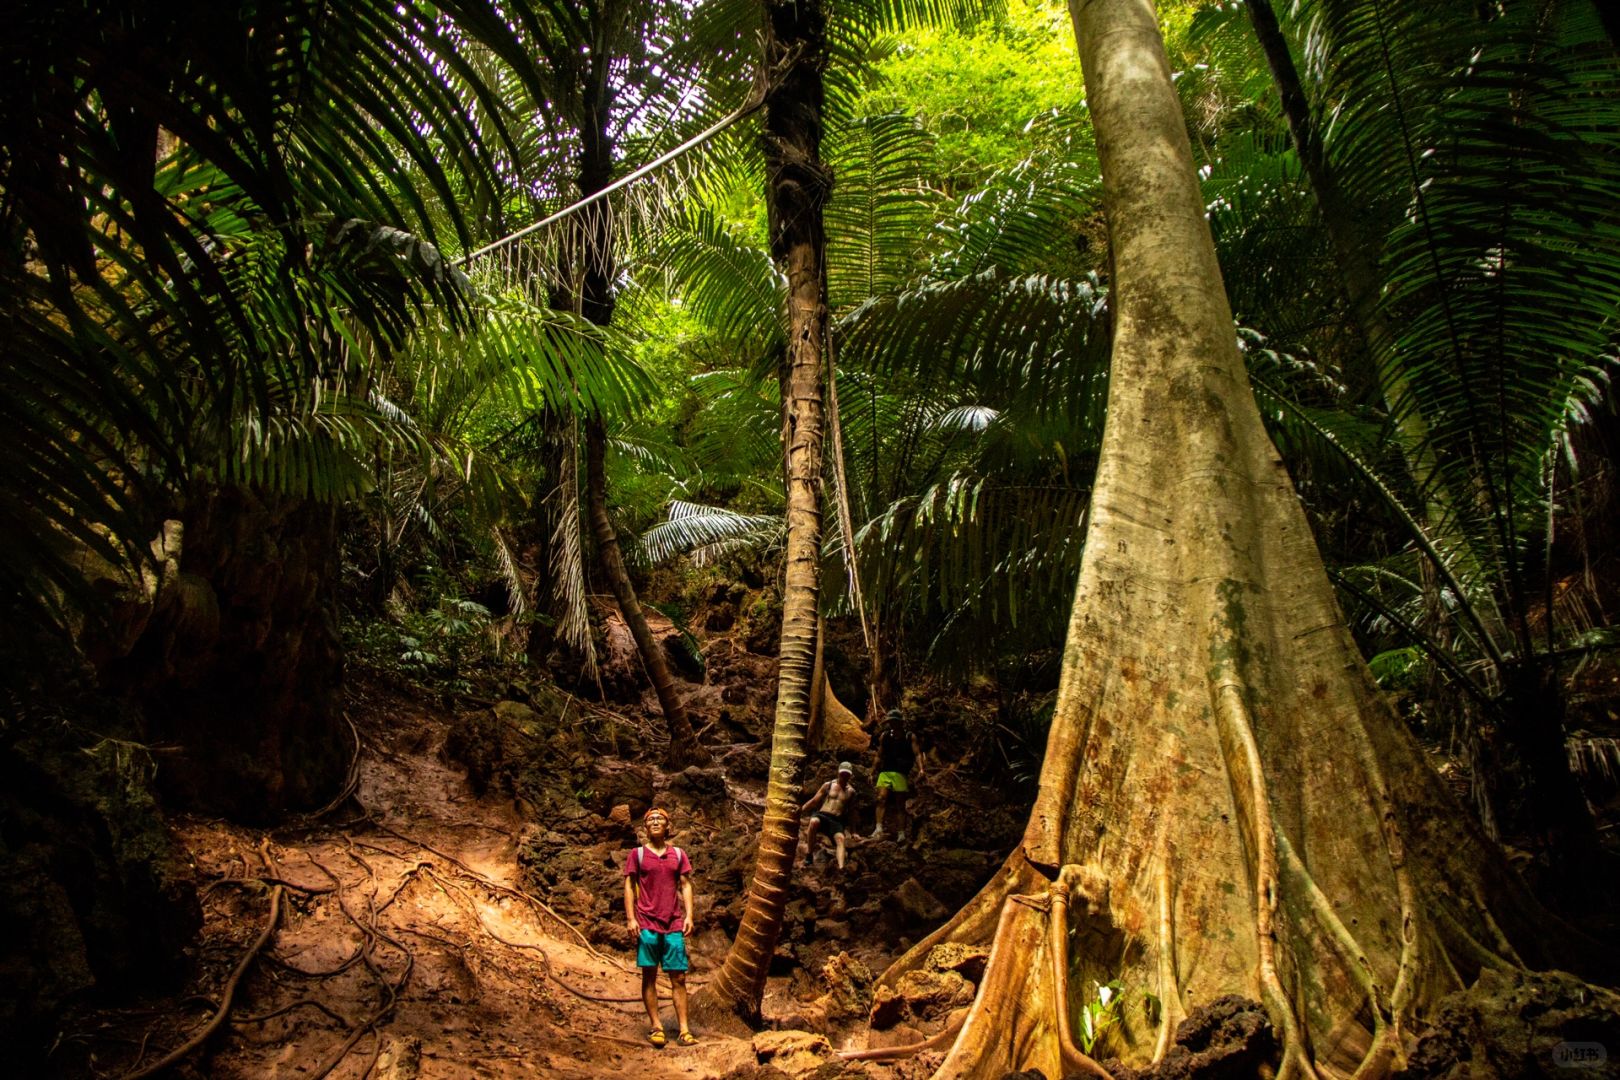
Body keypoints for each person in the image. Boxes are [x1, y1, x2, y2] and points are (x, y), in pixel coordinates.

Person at [623, 807, 696, 1048]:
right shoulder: (637, 855)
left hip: (673, 923)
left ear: (667, 825)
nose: (655, 822)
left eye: (659, 819)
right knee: (650, 975)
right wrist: (631, 918)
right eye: (650, 819)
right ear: (645, 827)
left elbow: (685, 884)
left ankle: (684, 1030)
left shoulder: (678, 854)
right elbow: (629, 885)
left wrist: (689, 916)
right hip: (647, 923)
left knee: (679, 977)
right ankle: (656, 1026)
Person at [871, 710, 924, 842]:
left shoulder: (909, 736)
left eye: (894, 721)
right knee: (880, 798)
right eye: (890, 721)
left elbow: (917, 754)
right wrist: (872, 770)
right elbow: (879, 754)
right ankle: (878, 828)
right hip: (885, 771)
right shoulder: (885, 736)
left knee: (900, 803)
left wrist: (921, 769)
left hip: (900, 772)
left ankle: (901, 833)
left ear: (900, 722)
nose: (891, 724)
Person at [801, 761, 858, 871]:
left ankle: (841, 868)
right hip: (822, 815)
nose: (844, 776)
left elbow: (852, 813)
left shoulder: (851, 792)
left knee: (840, 839)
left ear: (850, 775)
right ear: (838, 773)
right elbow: (814, 801)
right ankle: (809, 854)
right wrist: (800, 810)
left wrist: (854, 831)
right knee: (814, 822)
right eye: (842, 774)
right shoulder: (828, 785)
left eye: (847, 774)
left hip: (836, 820)